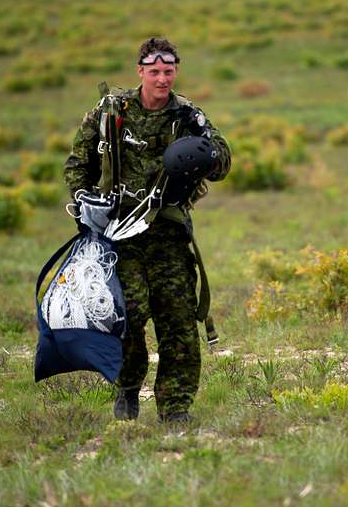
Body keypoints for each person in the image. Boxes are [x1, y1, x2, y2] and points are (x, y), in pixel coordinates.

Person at [63, 37, 231, 423]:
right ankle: (127, 385)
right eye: (154, 71)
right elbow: (77, 163)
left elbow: (223, 162)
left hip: (169, 236)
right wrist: (86, 204)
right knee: (127, 316)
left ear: (175, 71)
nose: (162, 78)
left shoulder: (188, 116)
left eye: (168, 71)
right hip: (118, 237)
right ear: (140, 71)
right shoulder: (111, 111)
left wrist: (204, 155)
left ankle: (175, 409)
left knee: (178, 323)